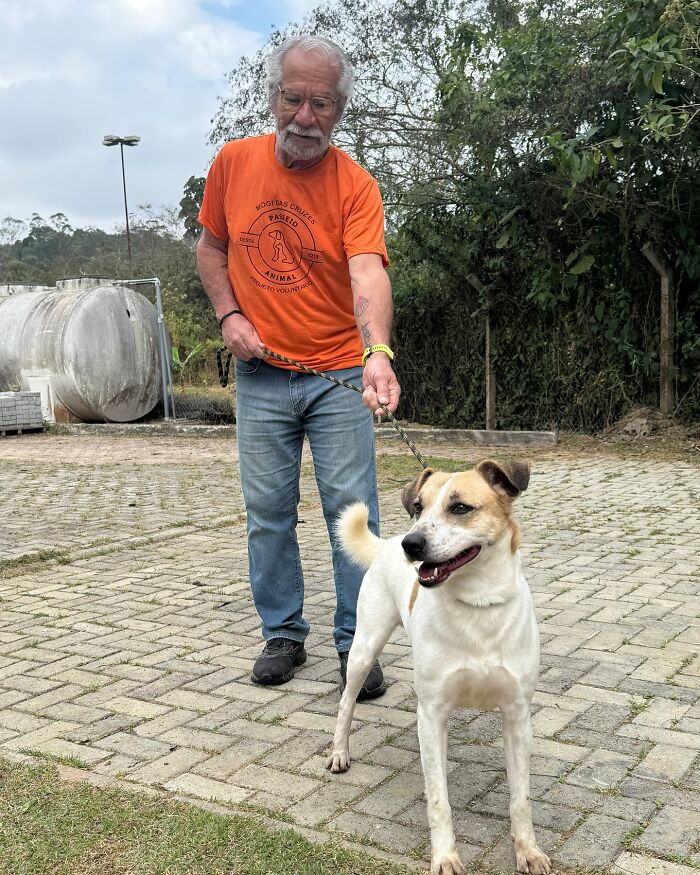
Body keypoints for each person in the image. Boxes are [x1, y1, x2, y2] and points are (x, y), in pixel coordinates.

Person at [197, 35, 400, 699]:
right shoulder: (232, 164)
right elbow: (211, 249)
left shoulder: (354, 185)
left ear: (340, 111)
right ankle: (282, 632)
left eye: (321, 104)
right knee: (267, 512)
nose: (304, 117)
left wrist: (377, 353)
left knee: (353, 514)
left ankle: (356, 644)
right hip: (260, 376)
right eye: (293, 99)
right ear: (272, 98)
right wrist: (230, 316)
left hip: (338, 373)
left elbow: (366, 272)